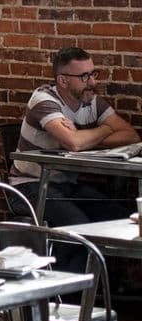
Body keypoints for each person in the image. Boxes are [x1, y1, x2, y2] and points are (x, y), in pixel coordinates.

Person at [9, 46, 139, 228]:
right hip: (29, 186)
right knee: (77, 225)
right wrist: (106, 129)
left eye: (94, 74)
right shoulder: (44, 99)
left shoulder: (91, 101)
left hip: (66, 185)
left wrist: (82, 134)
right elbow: (74, 144)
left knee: (120, 218)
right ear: (63, 80)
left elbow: (131, 136)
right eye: (84, 77)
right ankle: (58, 258)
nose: (92, 82)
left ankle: (97, 258)